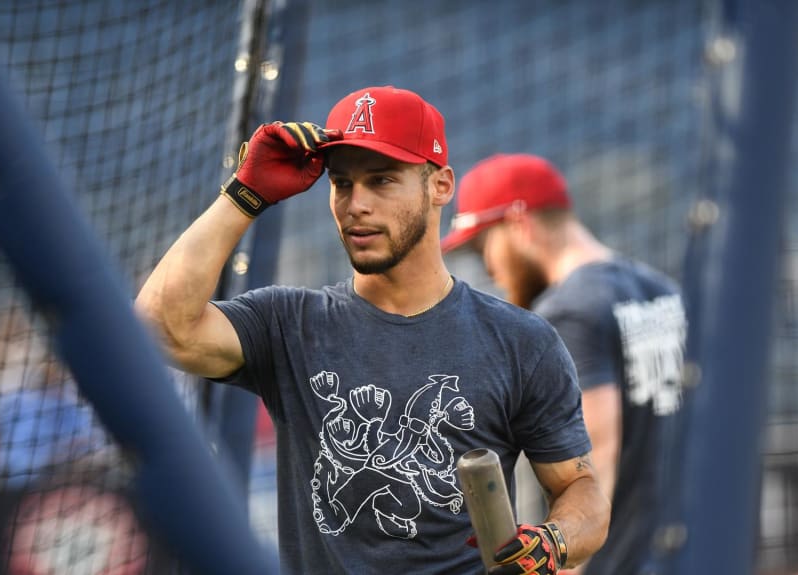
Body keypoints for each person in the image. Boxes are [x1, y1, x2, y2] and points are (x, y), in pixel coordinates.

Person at [135, 86, 609, 574]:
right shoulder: (288, 324)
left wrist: (556, 540)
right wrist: (244, 194)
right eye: (342, 184)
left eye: (382, 180)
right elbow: (158, 327)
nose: (356, 204)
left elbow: (580, 488)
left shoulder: (520, 341)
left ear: (440, 186)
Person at [441, 154, 688, 575]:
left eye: (485, 245)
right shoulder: (660, 291)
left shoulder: (570, 311)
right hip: (687, 552)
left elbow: (592, 464)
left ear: (519, 225)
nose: (488, 266)